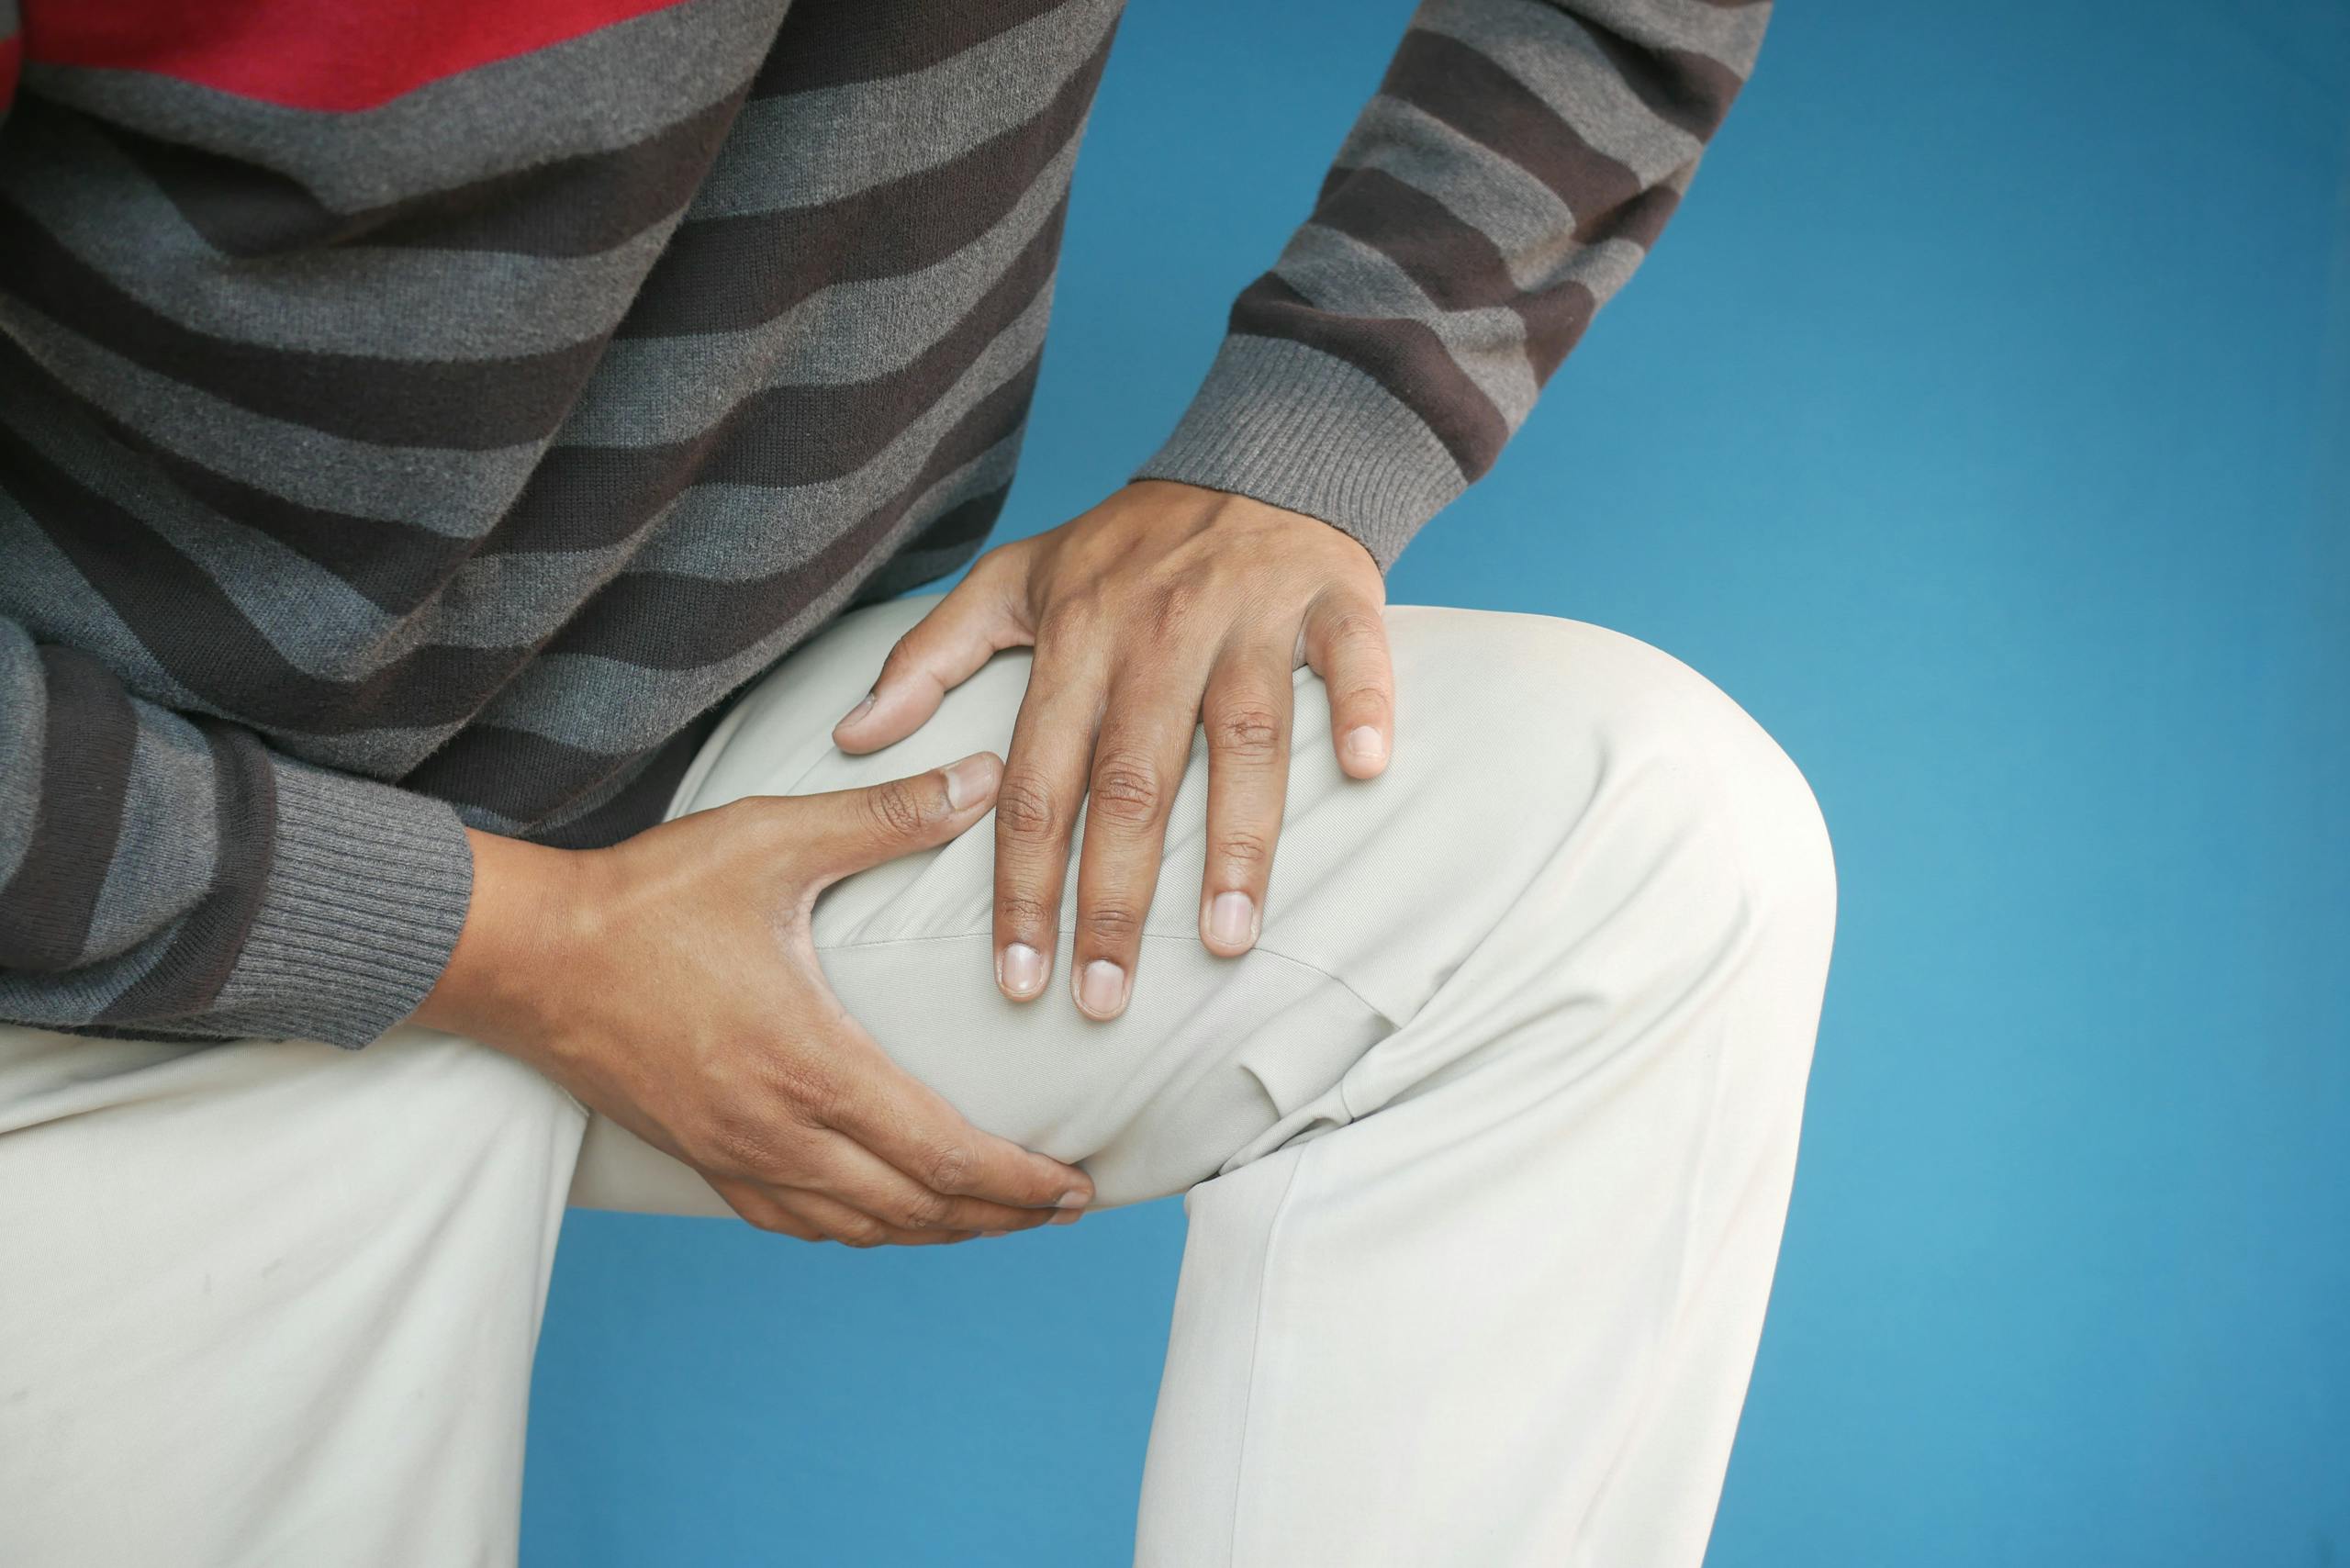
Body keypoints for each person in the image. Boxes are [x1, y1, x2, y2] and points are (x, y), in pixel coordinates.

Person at [0, 1, 1832, 1562]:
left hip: (716, 781)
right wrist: (513, 941)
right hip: (110, 893)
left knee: (1629, 845)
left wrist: (1328, 424)